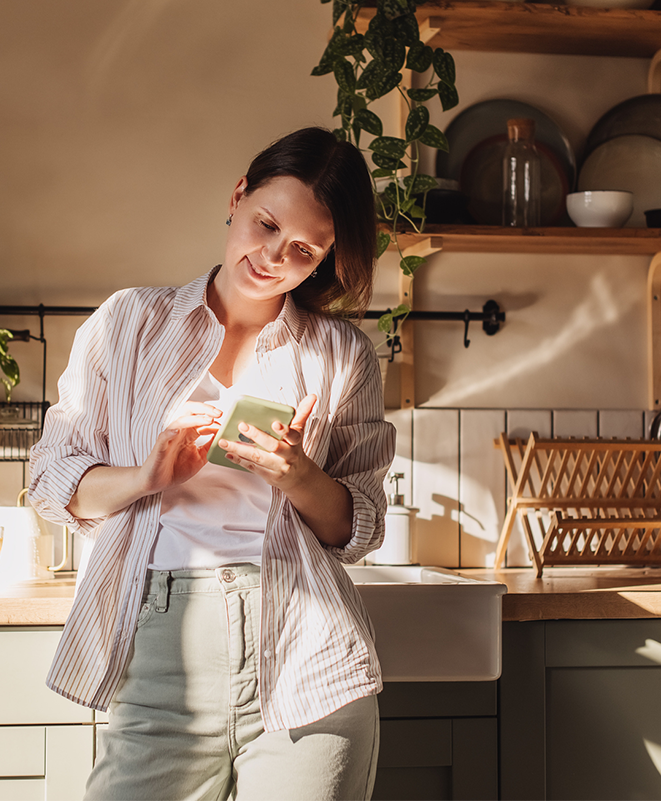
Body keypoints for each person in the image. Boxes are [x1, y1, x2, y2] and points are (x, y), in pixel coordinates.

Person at [28, 126, 395, 801]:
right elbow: (52, 479)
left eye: (303, 249)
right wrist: (149, 477)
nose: (274, 255)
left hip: (307, 649)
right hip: (161, 639)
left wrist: (298, 475)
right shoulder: (128, 323)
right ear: (237, 195)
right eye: (265, 224)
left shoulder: (343, 356)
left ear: (324, 258)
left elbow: (361, 527)